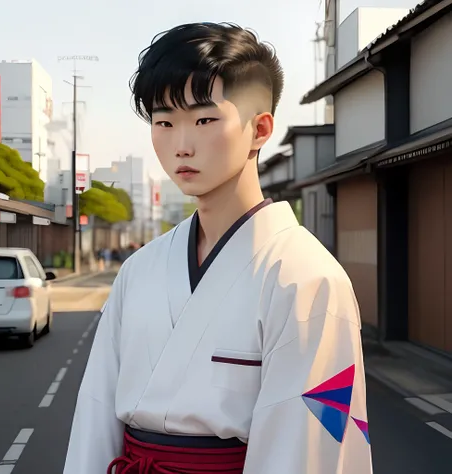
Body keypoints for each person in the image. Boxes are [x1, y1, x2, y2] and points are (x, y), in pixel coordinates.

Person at [63, 22, 373, 474]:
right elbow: (95, 416)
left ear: (260, 129)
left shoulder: (306, 278)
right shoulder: (139, 270)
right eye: (164, 122)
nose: (182, 145)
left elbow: (305, 452)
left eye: (205, 119)